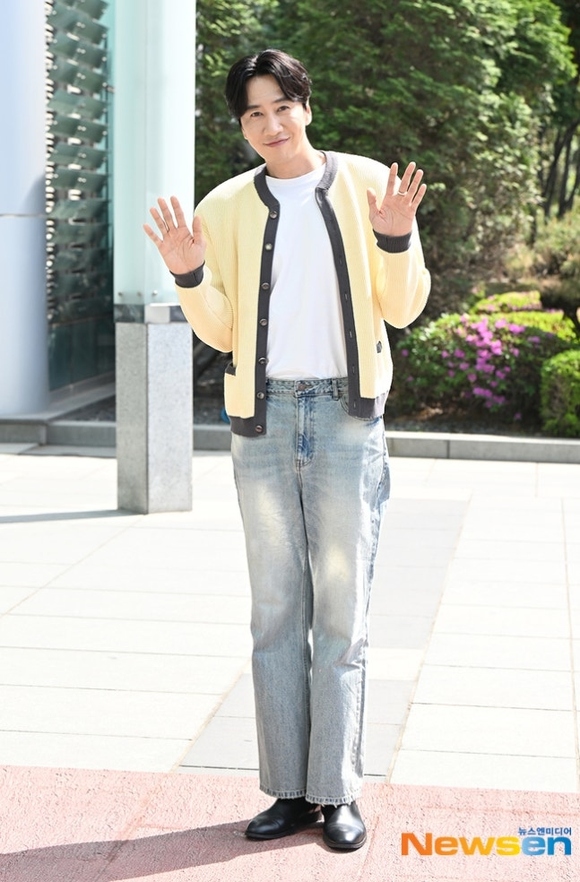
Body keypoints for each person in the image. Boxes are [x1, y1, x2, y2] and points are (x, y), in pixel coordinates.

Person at [144, 48, 430, 851]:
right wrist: (190, 274)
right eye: (254, 114)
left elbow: (404, 308)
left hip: (346, 418)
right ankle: (288, 791)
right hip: (263, 422)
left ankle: (336, 791)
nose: (270, 125)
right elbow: (224, 329)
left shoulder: (369, 184)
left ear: (306, 105)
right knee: (275, 614)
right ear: (241, 125)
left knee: (342, 614)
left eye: (281, 107)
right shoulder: (226, 205)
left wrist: (397, 238)